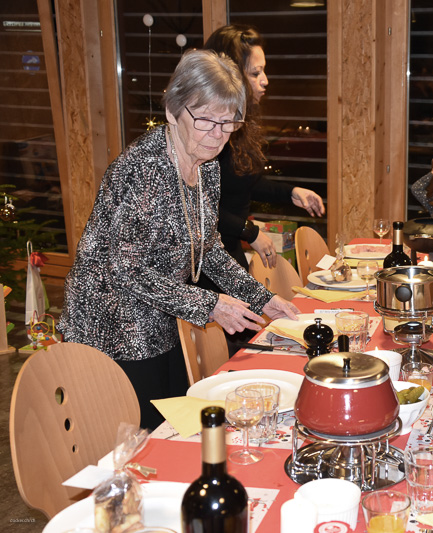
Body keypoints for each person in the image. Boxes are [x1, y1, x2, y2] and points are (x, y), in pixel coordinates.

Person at [59, 50, 300, 430]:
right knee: (142, 435)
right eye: (206, 120)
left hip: (161, 312)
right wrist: (209, 304)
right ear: (173, 111)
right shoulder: (144, 169)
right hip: (112, 324)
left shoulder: (207, 168)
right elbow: (124, 269)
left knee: (176, 423)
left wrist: (263, 298)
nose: (218, 135)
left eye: (229, 123)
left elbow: (210, 250)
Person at [202, 24, 325, 272]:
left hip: (229, 249)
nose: (265, 81)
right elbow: (200, 209)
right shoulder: (209, 133)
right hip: (207, 260)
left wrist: (291, 193)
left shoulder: (240, 124)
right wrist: (250, 231)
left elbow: (243, 183)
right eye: (255, 73)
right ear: (229, 76)